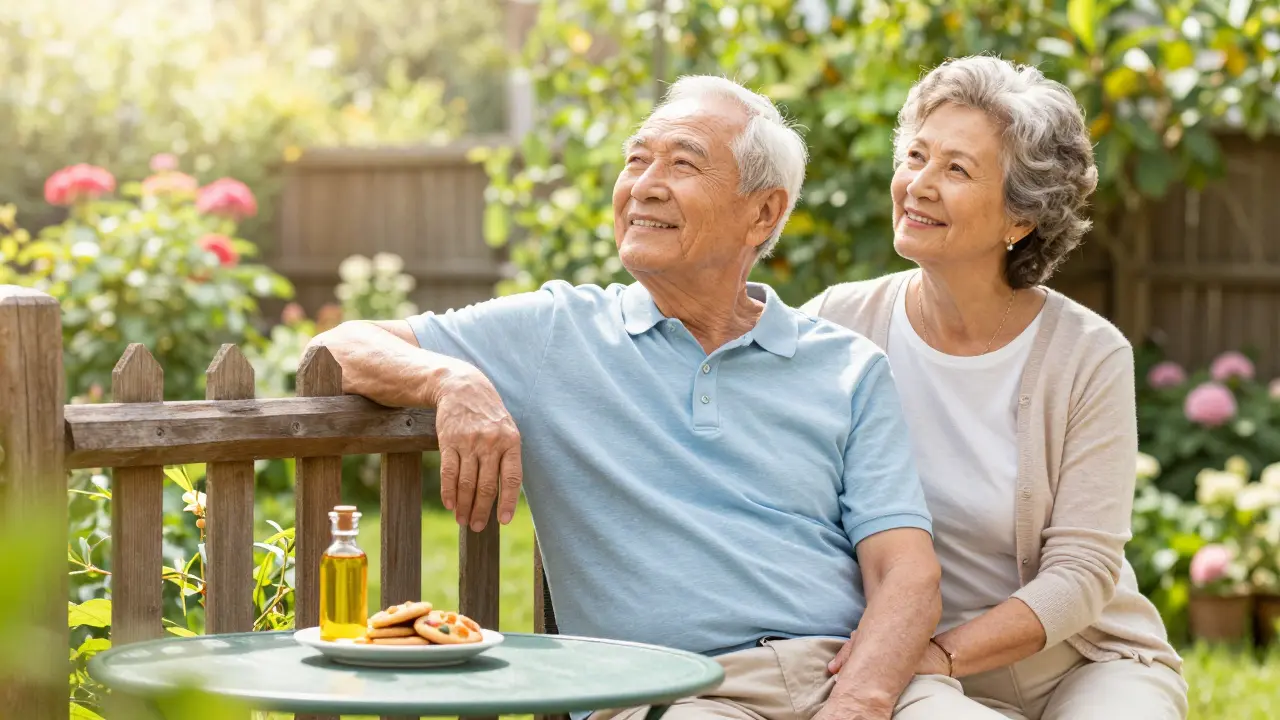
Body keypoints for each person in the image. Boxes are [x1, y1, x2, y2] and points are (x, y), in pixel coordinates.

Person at [310, 75, 948, 720]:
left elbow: (906, 575)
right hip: (683, 693)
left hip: (850, 677)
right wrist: (452, 381)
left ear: (762, 213)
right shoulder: (556, 331)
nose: (644, 185)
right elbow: (340, 346)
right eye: (637, 160)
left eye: (683, 164)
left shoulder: (849, 367)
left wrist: (861, 700)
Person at [802, 56, 1188, 719]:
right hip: (908, 668)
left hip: (1082, 660)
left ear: (1020, 218)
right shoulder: (837, 324)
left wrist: (945, 653)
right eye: (915, 156)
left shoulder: (1089, 354)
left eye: (956, 169)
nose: (919, 184)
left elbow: (1082, 571)